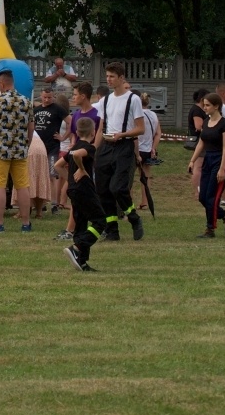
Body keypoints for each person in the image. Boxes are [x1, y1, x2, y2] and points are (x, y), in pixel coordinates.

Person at [93, 62, 145, 242]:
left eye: (112, 76)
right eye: (107, 76)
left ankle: (133, 217)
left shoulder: (133, 99)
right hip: (106, 147)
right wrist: (93, 149)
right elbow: (100, 128)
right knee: (102, 189)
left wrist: (123, 134)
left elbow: (141, 128)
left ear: (121, 78)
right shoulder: (105, 100)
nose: (108, 79)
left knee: (117, 188)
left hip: (124, 146)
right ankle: (112, 230)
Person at [0, 67, 34, 233]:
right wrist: (26, 143)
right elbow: (30, 127)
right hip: (20, 149)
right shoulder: (26, 101)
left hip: (0, 149)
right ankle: (26, 223)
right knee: (22, 186)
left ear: (2, 83)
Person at [59, 116, 106, 272]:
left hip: (73, 190)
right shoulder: (89, 148)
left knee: (81, 225)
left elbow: (58, 165)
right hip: (84, 190)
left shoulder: (72, 147)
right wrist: (82, 169)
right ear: (93, 132)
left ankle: (82, 262)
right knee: (100, 221)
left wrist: (70, 180)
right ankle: (77, 248)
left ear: (77, 132)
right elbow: (79, 155)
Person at [188, 93, 225, 238]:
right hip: (207, 160)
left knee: (212, 198)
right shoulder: (206, 121)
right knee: (203, 197)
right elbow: (202, 142)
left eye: (207, 105)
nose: (205, 107)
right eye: (204, 104)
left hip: (220, 161)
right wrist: (192, 160)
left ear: (216, 106)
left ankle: (210, 229)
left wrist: (221, 169)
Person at [33, 87, 68, 214]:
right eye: (45, 97)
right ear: (41, 96)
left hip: (52, 146)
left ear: (53, 97)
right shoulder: (36, 110)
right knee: (38, 175)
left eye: (49, 97)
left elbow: (71, 122)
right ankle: (39, 203)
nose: (47, 100)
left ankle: (54, 204)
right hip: (38, 147)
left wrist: (63, 137)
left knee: (53, 174)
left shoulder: (58, 109)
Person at [135, 92, 161, 212]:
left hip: (136, 149)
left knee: (129, 176)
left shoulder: (137, 115)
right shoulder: (154, 115)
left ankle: (127, 203)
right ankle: (145, 202)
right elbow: (158, 133)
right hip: (148, 150)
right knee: (146, 177)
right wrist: (153, 148)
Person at [187, 88, 209, 202]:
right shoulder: (196, 110)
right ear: (202, 99)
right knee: (198, 167)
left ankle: (201, 191)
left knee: (200, 167)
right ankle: (197, 192)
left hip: (204, 141)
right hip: (200, 142)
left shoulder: (199, 109)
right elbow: (198, 126)